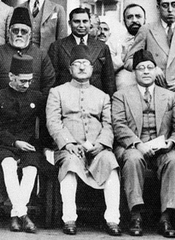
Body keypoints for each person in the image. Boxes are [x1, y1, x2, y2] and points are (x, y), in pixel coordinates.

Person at [46, 44, 121, 236]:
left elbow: (109, 124)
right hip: (69, 149)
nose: (81, 67)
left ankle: (113, 219)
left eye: (85, 64)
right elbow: (53, 122)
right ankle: (69, 219)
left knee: (111, 163)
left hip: (97, 149)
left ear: (92, 68)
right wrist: (68, 143)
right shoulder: (57, 92)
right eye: (77, 64)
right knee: (70, 165)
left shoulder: (103, 96)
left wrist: (102, 143)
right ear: (70, 69)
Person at [112, 49, 175, 237]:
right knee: (133, 159)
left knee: (174, 160)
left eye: (150, 68)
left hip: (162, 147)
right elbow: (118, 125)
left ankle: (166, 217)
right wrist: (137, 144)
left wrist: (171, 142)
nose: (145, 71)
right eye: (141, 68)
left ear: (156, 70)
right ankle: (136, 216)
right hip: (133, 146)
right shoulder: (121, 95)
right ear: (134, 72)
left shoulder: (170, 96)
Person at [0, 54, 44, 233]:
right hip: (1, 145)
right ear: (11, 77)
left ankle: (16, 215)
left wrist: (38, 146)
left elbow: (43, 127)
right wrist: (15, 142)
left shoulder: (36, 97)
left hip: (28, 146)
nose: (26, 85)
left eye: (29, 81)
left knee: (31, 169)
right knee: (8, 165)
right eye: (22, 81)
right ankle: (23, 215)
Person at [0, 7, 55, 99]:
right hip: (3, 108)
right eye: (15, 31)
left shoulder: (41, 55)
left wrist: (39, 105)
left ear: (30, 34)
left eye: (24, 31)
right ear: (9, 33)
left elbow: (49, 83)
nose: (19, 34)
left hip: (33, 108)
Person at [48, 7, 116, 95]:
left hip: (94, 99)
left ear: (89, 23)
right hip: (67, 98)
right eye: (76, 21)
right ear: (69, 23)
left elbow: (109, 79)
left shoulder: (102, 47)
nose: (81, 25)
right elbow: (51, 79)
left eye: (85, 21)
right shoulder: (57, 46)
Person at [115, 4, 146, 90]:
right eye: (129, 17)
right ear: (124, 21)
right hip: (124, 89)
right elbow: (109, 68)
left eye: (138, 16)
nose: (134, 20)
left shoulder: (153, 39)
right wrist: (122, 58)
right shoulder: (115, 41)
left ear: (145, 19)